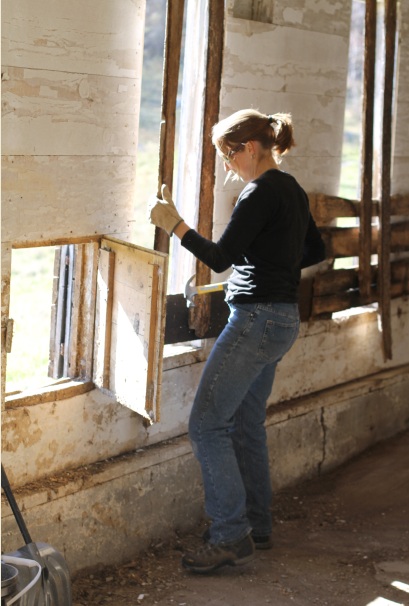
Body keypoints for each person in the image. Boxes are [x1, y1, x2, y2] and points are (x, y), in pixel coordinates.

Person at [148, 109, 325, 574]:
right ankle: (257, 526)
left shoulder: (259, 192)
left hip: (255, 321)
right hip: (283, 321)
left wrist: (174, 223)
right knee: (246, 423)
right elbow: (315, 250)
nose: (227, 166)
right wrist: (271, 267)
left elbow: (222, 257)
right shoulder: (292, 190)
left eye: (228, 155)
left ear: (250, 148)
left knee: (206, 425)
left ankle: (230, 535)